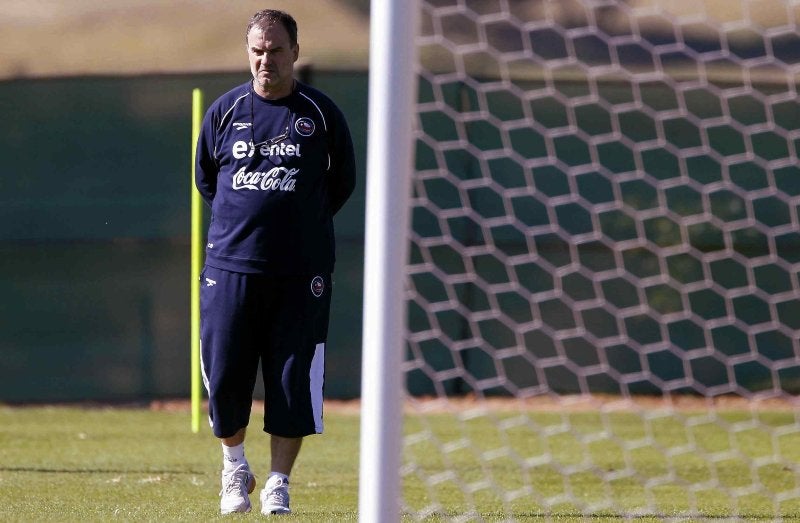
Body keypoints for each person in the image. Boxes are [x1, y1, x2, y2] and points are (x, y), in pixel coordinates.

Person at [194, 8, 356, 516]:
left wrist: (298, 224)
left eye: (276, 50)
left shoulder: (321, 115)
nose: (266, 60)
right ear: (249, 53)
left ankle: (279, 482)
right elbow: (206, 180)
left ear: (295, 52)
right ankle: (234, 468)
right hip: (231, 269)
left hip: (299, 273)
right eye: (257, 51)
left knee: (291, 381)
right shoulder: (223, 111)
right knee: (224, 376)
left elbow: (342, 183)